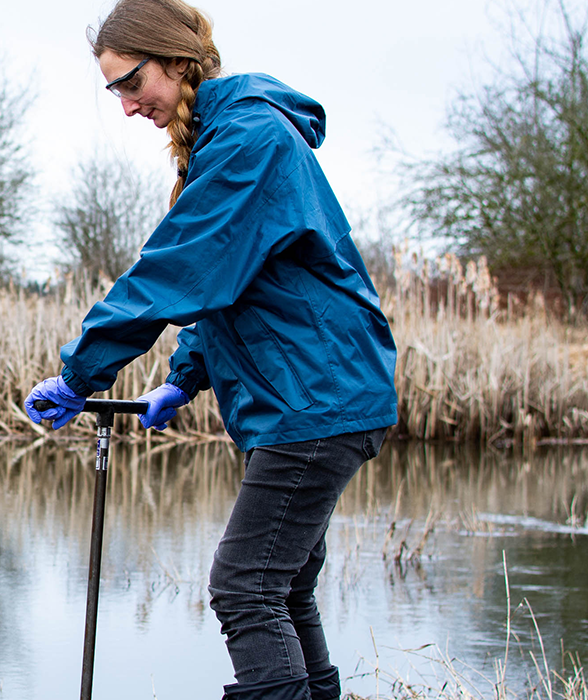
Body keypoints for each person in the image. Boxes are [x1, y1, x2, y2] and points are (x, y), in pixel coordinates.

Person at [23, 1, 399, 699]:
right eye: (116, 93)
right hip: (310, 395)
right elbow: (233, 280)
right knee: (281, 589)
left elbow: (179, 268)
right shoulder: (231, 137)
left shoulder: (247, 139)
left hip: (314, 398)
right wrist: (185, 375)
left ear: (174, 60)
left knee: (244, 587)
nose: (129, 106)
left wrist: (81, 372)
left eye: (132, 84)